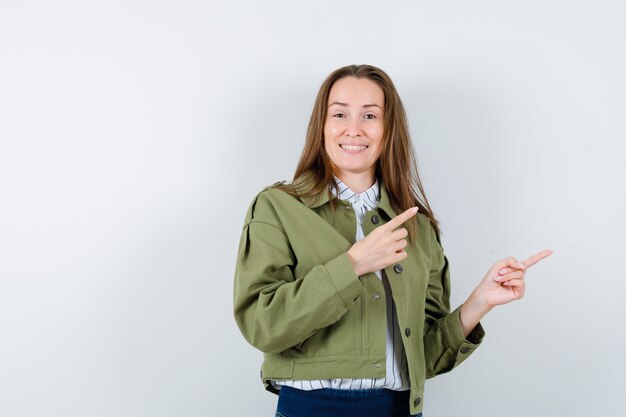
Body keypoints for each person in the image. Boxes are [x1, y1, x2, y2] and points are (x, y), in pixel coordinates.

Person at [233, 64, 552, 417]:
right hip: (311, 409)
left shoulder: (418, 226)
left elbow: (425, 357)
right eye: (339, 113)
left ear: (388, 129)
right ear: (321, 126)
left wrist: (480, 301)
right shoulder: (278, 207)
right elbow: (262, 326)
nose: (353, 129)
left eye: (370, 115)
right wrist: (353, 265)